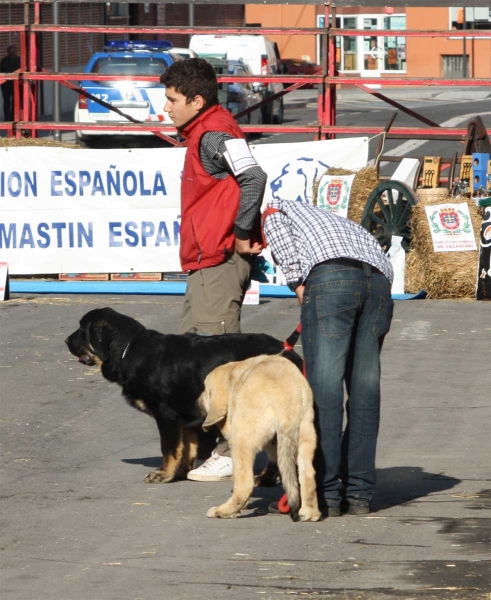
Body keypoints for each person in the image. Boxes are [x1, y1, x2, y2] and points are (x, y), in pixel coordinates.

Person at [160, 58, 267, 482]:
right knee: (191, 358)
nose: (166, 109)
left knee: (219, 363)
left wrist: (241, 232)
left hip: (219, 262)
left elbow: (254, 178)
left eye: (171, 100)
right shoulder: (206, 131)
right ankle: (206, 447)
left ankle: (230, 451)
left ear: (196, 99)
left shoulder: (214, 133)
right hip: (206, 263)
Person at [262, 199, 394, 517]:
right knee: (364, 391)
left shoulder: (273, 212)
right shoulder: (332, 220)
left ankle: (325, 493)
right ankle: (360, 493)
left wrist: (299, 286)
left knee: (323, 392)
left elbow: (289, 257)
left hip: (332, 279)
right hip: (378, 284)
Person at [1, 45, 20, 121]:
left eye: (13, 52)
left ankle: (13, 117)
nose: (11, 54)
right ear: (8, 52)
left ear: (16, 52)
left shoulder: (20, 60)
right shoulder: (4, 61)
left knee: (16, 101)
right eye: (10, 52)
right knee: (6, 101)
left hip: (17, 84)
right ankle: (7, 118)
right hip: (6, 84)